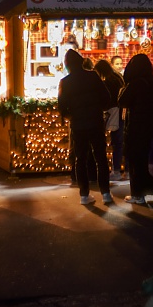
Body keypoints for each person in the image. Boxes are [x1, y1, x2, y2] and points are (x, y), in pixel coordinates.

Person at [58, 49, 113, 206]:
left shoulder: (65, 82)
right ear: (81, 62)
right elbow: (106, 97)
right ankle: (106, 193)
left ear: (67, 65)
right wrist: (99, 110)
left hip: (78, 125)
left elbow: (62, 107)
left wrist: (72, 116)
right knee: (101, 158)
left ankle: (84, 194)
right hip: (95, 122)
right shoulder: (93, 76)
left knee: (80, 159)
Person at [118, 53, 153, 204]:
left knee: (137, 162)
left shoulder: (134, 84)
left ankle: (138, 195)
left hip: (136, 129)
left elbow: (122, 101)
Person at [94, 58, 125, 180]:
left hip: (114, 114)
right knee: (120, 142)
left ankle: (116, 170)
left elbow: (106, 99)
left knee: (117, 142)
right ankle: (124, 170)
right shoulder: (117, 77)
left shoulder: (108, 81)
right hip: (121, 112)